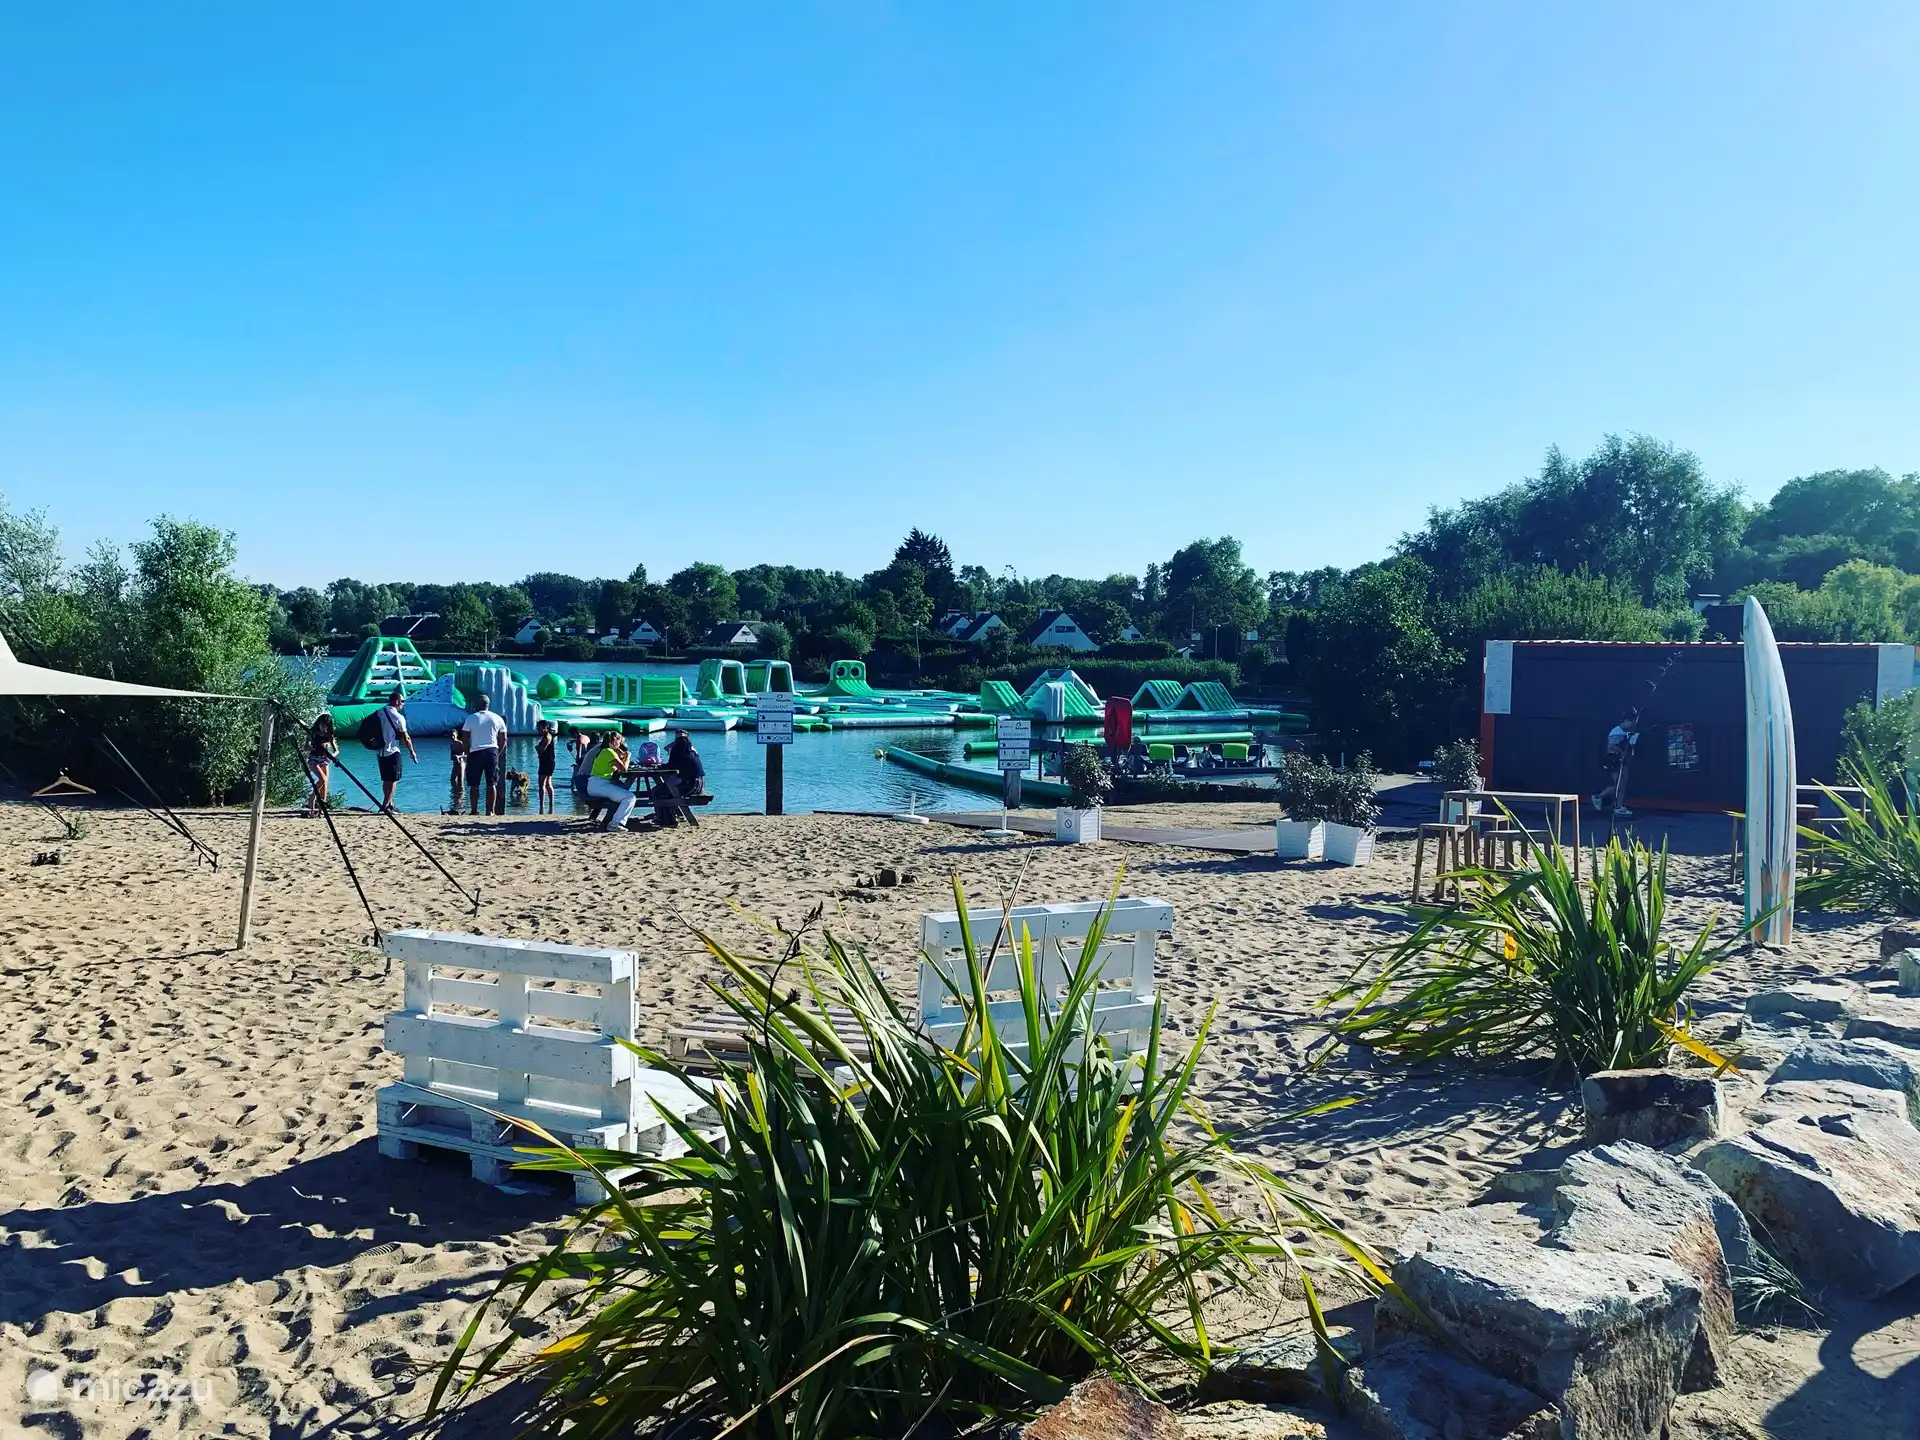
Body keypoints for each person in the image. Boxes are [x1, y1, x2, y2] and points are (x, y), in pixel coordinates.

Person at [461, 693, 508, 816]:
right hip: (492, 751)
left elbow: (465, 737)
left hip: (475, 751)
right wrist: (498, 753)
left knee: (474, 784)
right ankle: (490, 811)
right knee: (491, 783)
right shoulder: (497, 718)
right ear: (488, 705)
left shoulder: (471, 718)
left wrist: (467, 751)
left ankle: (474, 810)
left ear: (478, 705)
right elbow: (504, 739)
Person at [586, 731, 638, 831]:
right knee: (630, 797)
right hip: (599, 784)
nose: (620, 745)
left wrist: (621, 757)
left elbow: (617, 767)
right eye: (620, 742)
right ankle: (615, 823)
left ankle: (613, 819)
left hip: (596, 784)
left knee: (623, 790)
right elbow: (623, 769)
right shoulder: (609, 752)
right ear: (614, 741)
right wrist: (627, 757)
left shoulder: (605, 751)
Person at [1593, 708, 1640, 817]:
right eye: (1632, 723)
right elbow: (1611, 746)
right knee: (1619, 784)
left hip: (1623, 760)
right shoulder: (1616, 732)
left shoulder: (1627, 732)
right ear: (1627, 720)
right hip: (1614, 760)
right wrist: (1622, 752)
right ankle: (1598, 797)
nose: (1633, 725)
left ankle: (1618, 806)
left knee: (1623, 784)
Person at [376, 689, 417, 811]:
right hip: (393, 750)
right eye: (402, 701)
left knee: (385, 779)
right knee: (394, 779)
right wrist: (412, 751)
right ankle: (384, 806)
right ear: (397, 701)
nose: (403, 704)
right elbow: (406, 737)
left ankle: (390, 804)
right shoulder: (399, 717)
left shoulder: (379, 712)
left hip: (380, 751)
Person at [305, 713, 338, 817]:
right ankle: (311, 800)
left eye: (327, 725)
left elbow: (336, 750)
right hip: (314, 760)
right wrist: (316, 748)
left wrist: (331, 756)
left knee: (325, 784)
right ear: (319, 723)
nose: (325, 727)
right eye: (323, 724)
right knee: (322, 779)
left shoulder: (329, 734)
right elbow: (305, 747)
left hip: (325, 760)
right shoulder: (313, 733)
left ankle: (321, 809)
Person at [534, 720, 558, 814]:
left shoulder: (547, 737)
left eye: (539, 728)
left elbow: (541, 750)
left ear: (545, 728)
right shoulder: (547, 736)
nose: (538, 730)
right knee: (548, 784)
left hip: (546, 763)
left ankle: (541, 805)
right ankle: (551, 806)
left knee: (542, 785)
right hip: (549, 762)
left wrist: (537, 748)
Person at [448, 728, 468, 813]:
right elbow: (451, 756)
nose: (452, 737)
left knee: (461, 782)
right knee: (452, 780)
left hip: (461, 764)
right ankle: (455, 796)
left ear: (456, 734)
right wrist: (454, 757)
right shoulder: (452, 744)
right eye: (450, 735)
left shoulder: (460, 743)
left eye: (453, 735)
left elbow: (466, 754)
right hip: (455, 764)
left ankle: (461, 799)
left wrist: (459, 757)